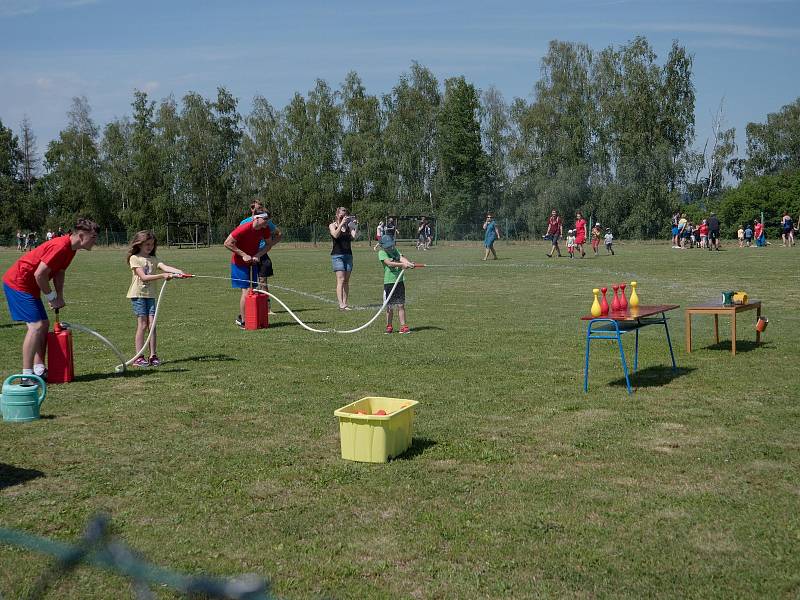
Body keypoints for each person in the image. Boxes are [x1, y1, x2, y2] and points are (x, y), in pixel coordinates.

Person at [2, 218, 99, 383]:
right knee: (36, 326)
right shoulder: (60, 246)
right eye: (93, 238)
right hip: (18, 283)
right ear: (81, 236)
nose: (95, 242)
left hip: (30, 286)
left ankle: (39, 369)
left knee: (44, 325)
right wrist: (51, 297)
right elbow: (39, 274)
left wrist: (59, 295)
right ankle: (26, 376)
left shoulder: (71, 249)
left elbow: (59, 271)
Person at [126, 231, 184, 367]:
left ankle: (153, 356)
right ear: (139, 244)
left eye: (152, 244)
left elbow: (164, 267)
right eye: (147, 244)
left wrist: (179, 272)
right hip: (138, 295)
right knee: (143, 325)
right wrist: (163, 275)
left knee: (152, 326)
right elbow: (144, 277)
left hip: (151, 295)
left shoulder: (153, 259)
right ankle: (138, 357)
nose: (150, 247)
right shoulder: (134, 258)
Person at [224, 212, 273, 328]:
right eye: (265, 219)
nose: (267, 221)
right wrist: (243, 254)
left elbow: (269, 245)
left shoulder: (264, 229)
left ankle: (249, 317)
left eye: (268, 219)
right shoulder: (244, 228)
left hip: (252, 263)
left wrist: (259, 254)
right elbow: (227, 243)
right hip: (239, 264)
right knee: (246, 291)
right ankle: (243, 321)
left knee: (252, 290)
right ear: (256, 218)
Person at [240, 199, 281, 314]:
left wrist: (269, 245)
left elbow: (279, 234)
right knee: (249, 284)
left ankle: (267, 309)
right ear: (252, 209)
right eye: (257, 208)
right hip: (248, 255)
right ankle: (250, 309)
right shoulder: (244, 222)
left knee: (263, 281)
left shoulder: (266, 222)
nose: (258, 210)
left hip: (261, 255)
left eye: (260, 208)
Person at [377, 234, 415, 334]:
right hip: (389, 283)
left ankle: (403, 326)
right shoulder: (381, 253)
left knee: (401, 305)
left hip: (399, 282)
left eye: (391, 246)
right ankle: (389, 326)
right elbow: (389, 263)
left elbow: (402, 258)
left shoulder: (395, 251)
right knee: (389, 306)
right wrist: (402, 265)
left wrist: (409, 263)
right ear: (383, 246)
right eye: (388, 246)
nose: (390, 248)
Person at [329, 206, 358, 310]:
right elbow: (335, 235)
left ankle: (345, 304)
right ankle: (341, 304)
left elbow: (355, 236)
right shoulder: (332, 225)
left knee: (346, 280)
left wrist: (354, 225)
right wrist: (341, 224)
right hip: (337, 255)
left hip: (348, 255)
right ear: (337, 215)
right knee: (340, 279)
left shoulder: (348, 227)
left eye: (345, 214)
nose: (344, 216)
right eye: (342, 214)